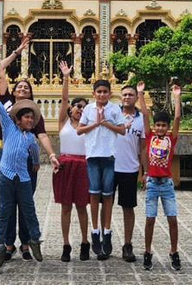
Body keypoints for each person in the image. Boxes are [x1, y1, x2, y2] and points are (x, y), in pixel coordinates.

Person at [0, 37, 59, 261]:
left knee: (26, 203)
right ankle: (8, 244)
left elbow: (41, 136)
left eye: (25, 88)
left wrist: (50, 154)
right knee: (7, 203)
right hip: (7, 160)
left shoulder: (32, 115)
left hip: (28, 162)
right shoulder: (7, 103)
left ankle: (27, 243)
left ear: (30, 95)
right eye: (19, 86)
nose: (21, 89)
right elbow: (1, 74)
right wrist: (5, 53)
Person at [0, 81, 44, 268]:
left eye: (32, 119)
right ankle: (1, 246)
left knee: (29, 211)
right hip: (7, 176)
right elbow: (0, 108)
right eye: (27, 118)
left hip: (24, 179)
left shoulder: (31, 138)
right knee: (5, 211)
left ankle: (34, 240)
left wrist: (36, 163)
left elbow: (34, 152)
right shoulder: (9, 128)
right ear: (18, 119)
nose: (30, 121)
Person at [76, 79, 126, 260]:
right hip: (93, 156)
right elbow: (79, 130)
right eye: (99, 91)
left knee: (108, 195)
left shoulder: (114, 109)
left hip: (109, 156)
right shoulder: (88, 109)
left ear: (110, 93)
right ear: (94, 93)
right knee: (94, 194)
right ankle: (95, 230)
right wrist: (96, 124)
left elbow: (122, 130)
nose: (102, 94)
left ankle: (107, 231)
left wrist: (106, 123)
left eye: (105, 91)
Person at [141, 83, 182, 272]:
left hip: (166, 184)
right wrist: (140, 94)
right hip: (152, 184)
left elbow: (178, 117)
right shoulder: (150, 137)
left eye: (163, 125)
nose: (160, 128)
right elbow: (144, 115)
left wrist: (177, 97)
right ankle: (147, 252)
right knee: (150, 219)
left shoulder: (171, 139)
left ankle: (174, 251)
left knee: (172, 219)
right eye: (158, 125)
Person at [53, 60, 91, 262]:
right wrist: (66, 76)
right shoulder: (64, 122)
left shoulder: (89, 126)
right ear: (70, 109)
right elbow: (64, 97)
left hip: (83, 166)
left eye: (84, 107)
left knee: (82, 206)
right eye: (78, 106)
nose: (80, 109)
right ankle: (66, 244)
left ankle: (85, 242)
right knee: (66, 207)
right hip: (65, 166)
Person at [113, 82, 150, 263]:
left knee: (128, 207)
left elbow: (143, 148)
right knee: (105, 206)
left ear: (136, 97)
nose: (127, 97)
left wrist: (145, 172)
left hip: (129, 168)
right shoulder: (113, 113)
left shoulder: (141, 119)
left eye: (130, 95)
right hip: (110, 166)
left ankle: (127, 244)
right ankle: (105, 241)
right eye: (124, 94)